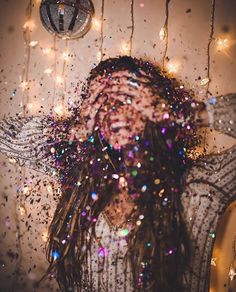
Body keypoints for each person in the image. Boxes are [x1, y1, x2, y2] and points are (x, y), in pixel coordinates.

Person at [0, 56, 235, 292]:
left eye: (129, 98)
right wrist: (72, 129)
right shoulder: (77, 171)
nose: (117, 111)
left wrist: (184, 114)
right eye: (103, 100)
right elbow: (4, 133)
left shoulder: (199, 186)